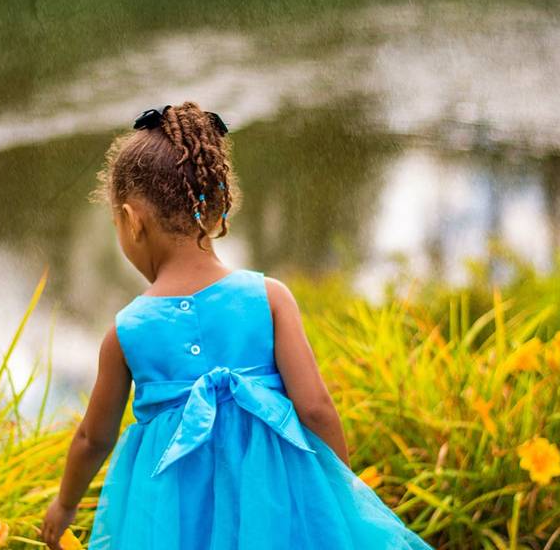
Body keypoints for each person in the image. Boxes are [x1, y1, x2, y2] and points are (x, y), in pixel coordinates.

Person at [40, 101, 434, 549]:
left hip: (173, 522)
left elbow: (93, 438)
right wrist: (341, 495)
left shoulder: (127, 332)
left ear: (132, 223)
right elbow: (317, 410)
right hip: (273, 509)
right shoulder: (270, 299)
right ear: (214, 206)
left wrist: (66, 505)